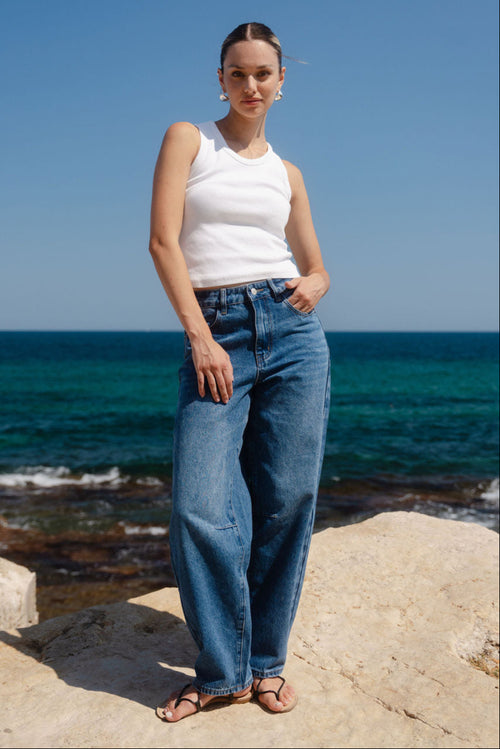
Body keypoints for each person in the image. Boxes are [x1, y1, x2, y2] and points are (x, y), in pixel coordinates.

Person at [149, 21, 331, 722]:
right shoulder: (189, 139)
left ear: (282, 82)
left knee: (286, 500)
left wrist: (316, 282)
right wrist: (200, 336)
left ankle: (263, 664)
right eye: (237, 73)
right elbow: (163, 241)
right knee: (199, 502)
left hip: (292, 333)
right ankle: (222, 668)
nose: (250, 86)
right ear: (219, 78)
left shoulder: (289, 174)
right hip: (216, 326)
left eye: (263, 74)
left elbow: (315, 263)